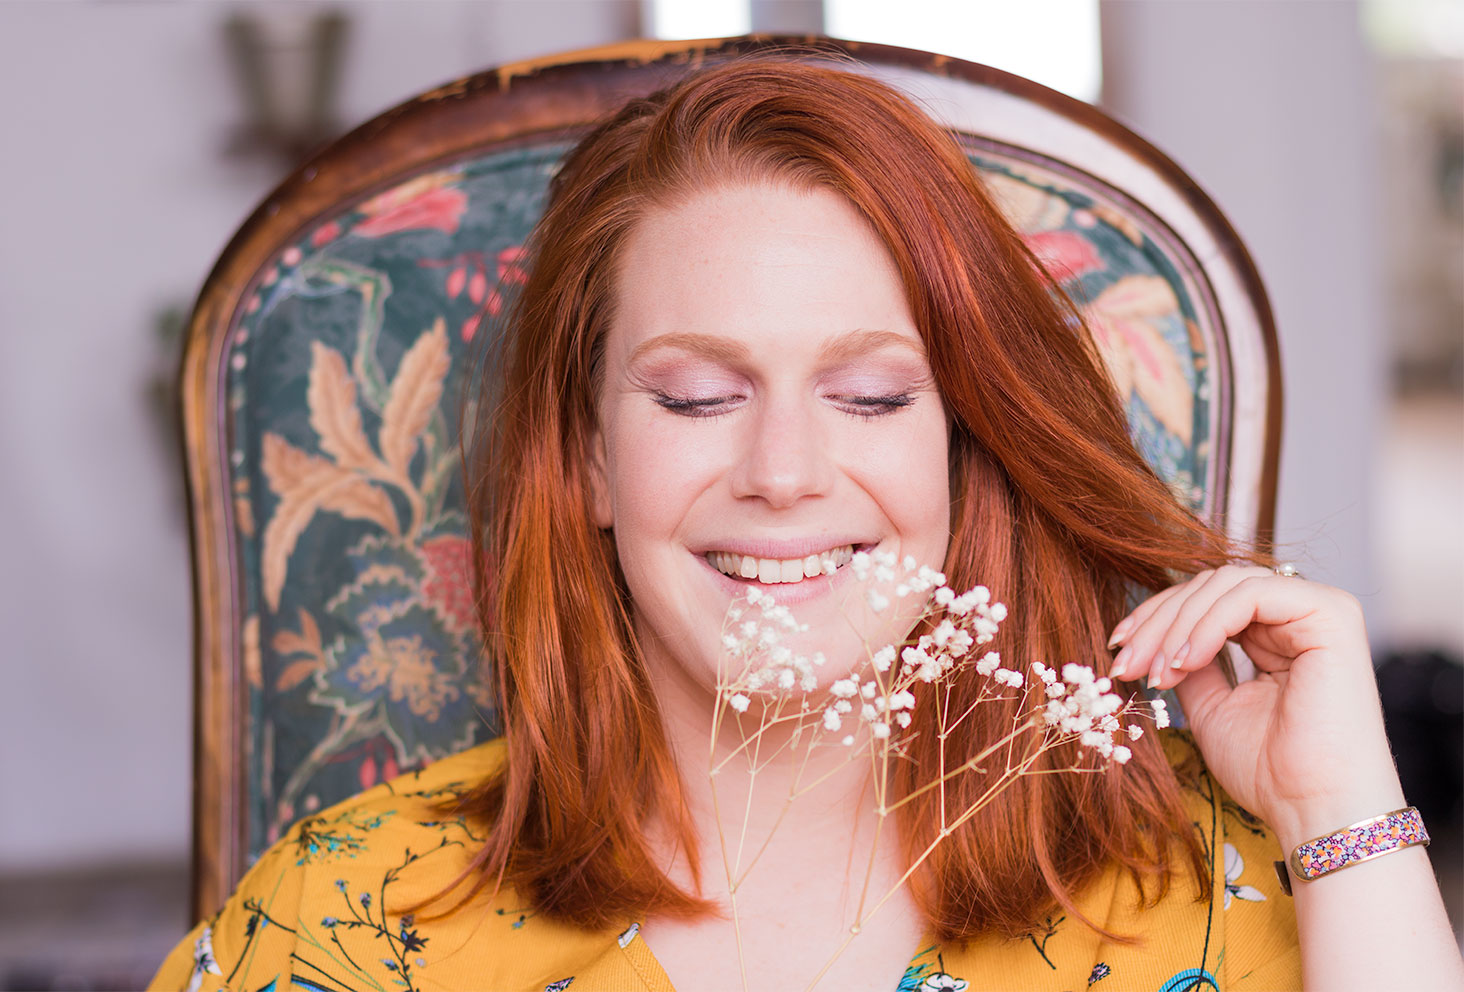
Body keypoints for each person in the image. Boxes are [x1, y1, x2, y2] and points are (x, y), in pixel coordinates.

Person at [150, 58, 1463, 992]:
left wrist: (1341, 806)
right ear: (593, 461)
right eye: (698, 395)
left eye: (872, 394)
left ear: (965, 445)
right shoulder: (346, 920)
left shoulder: (1215, 888)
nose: (783, 470)